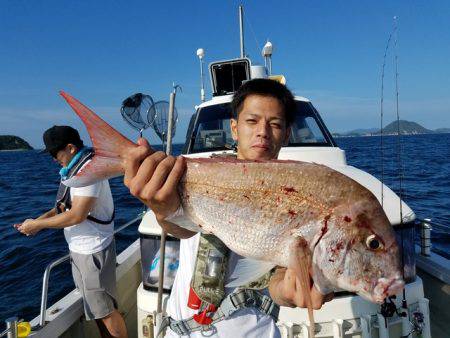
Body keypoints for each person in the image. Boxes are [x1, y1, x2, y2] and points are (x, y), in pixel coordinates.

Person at [124, 79, 333, 337]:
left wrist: (291, 291)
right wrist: (161, 210)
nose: (263, 132)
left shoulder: (299, 194)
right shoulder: (200, 175)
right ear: (234, 128)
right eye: (252, 121)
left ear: (287, 132)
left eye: (275, 124)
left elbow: (278, 280)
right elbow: (180, 227)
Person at [14, 126, 127, 338]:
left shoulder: (87, 174)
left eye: (54, 153)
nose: (53, 158)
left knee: (106, 312)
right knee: (97, 311)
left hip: (93, 252)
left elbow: (77, 215)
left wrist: (38, 226)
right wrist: (36, 222)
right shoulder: (72, 171)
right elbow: (62, 207)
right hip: (80, 252)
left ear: (70, 148)